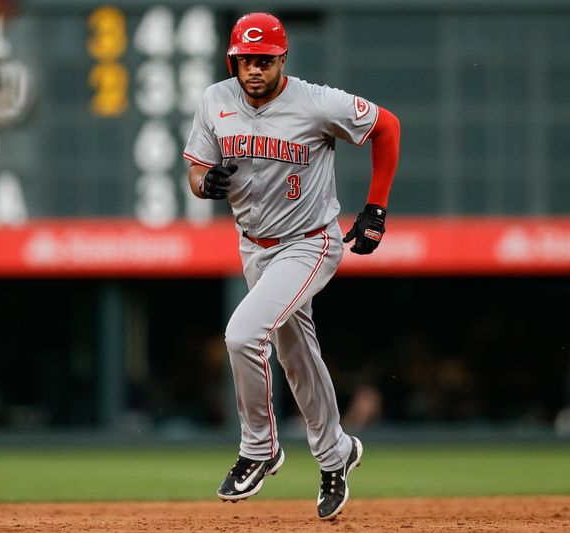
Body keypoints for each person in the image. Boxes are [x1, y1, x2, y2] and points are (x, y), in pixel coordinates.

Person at [182, 13, 400, 521]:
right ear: (232, 60)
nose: (254, 70)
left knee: (242, 335)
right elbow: (195, 169)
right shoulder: (216, 100)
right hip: (254, 246)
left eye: (264, 60)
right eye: (245, 60)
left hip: (309, 243)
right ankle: (335, 453)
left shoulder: (316, 102)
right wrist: (203, 183)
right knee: (298, 358)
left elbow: (386, 126)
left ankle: (259, 449)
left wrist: (377, 207)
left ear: (282, 59)